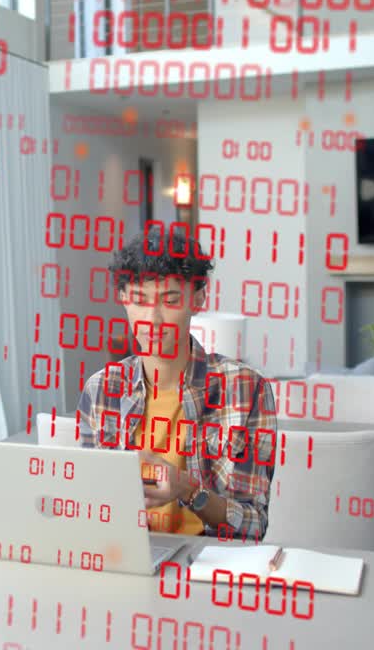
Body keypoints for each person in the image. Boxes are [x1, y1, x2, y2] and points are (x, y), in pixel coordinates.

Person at [75, 231, 277, 540]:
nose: (152, 319)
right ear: (124, 299)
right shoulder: (101, 390)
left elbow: (253, 525)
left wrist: (185, 488)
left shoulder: (246, 390)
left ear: (197, 299)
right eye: (139, 300)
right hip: (125, 555)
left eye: (169, 300)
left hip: (206, 563)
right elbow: (89, 509)